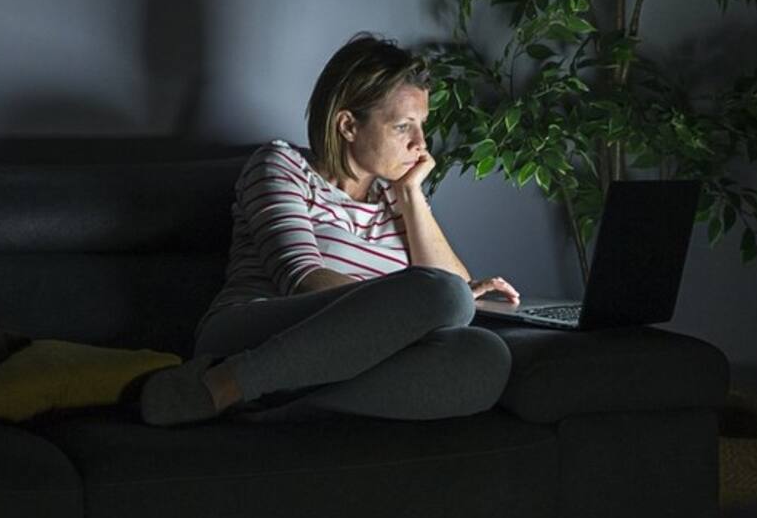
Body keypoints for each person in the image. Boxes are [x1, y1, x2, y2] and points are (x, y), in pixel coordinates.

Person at [139, 32, 520, 427]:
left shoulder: (397, 199)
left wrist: (410, 194)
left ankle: (275, 414)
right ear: (348, 125)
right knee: (443, 293)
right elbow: (301, 277)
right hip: (248, 335)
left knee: (486, 356)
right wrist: (401, 315)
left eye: (422, 126)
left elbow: (452, 294)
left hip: (340, 357)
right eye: (403, 127)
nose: (421, 144)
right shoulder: (280, 166)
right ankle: (224, 382)